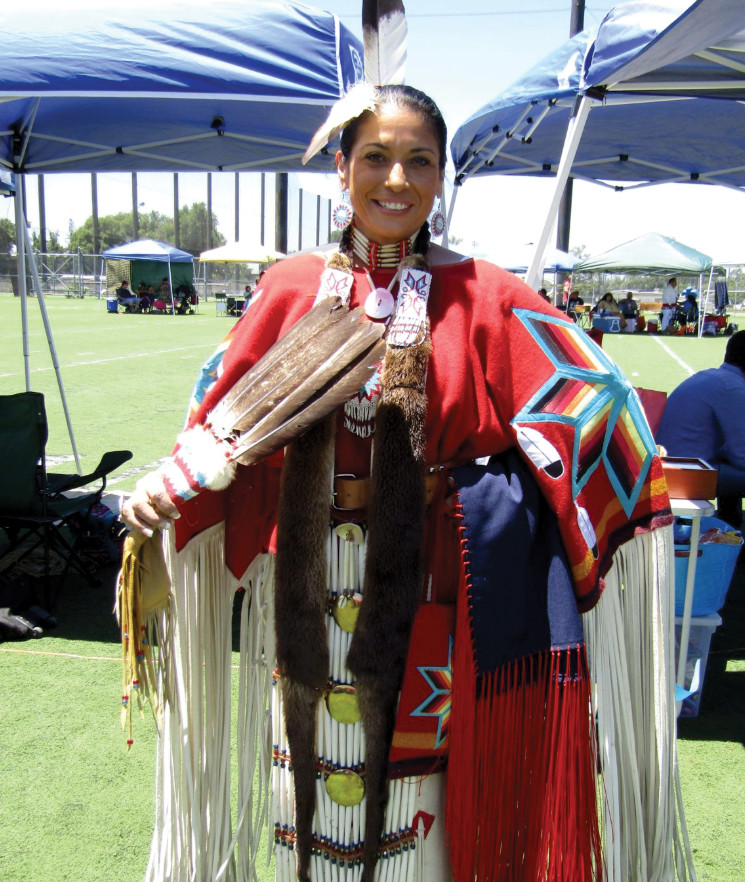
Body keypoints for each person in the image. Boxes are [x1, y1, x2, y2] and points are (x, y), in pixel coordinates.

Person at [121, 85, 689, 882]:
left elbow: (595, 400)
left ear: (442, 176)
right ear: (342, 171)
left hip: (431, 591)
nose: (396, 179)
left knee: (418, 813)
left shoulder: (484, 294)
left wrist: (503, 484)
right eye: (376, 158)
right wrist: (169, 491)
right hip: (307, 591)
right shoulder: (291, 288)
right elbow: (220, 418)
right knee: (311, 797)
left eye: (418, 160)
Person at [657, 330, 745, 526]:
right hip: (683, 473)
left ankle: (729, 523)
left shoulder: (715, 377)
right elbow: (742, 456)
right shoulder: (735, 388)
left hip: (672, 465)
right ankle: (730, 524)